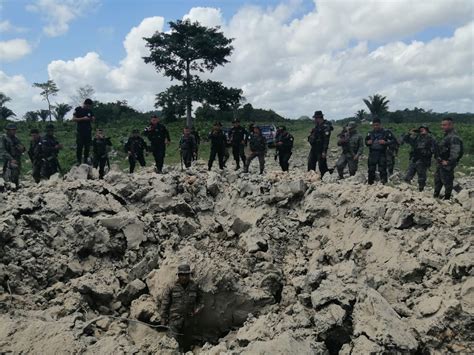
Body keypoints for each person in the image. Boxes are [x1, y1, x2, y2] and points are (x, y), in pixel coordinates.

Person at [160, 264, 203, 352]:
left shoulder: (194, 286)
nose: (184, 277)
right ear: (178, 275)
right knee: (172, 344)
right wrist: (163, 318)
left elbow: (201, 302)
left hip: (189, 321)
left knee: (187, 345)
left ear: (189, 275)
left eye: (186, 275)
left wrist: (196, 311)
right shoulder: (171, 286)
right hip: (174, 320)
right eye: (182, 275)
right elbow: (165, 303)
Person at [434, 117, 463, 199]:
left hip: (447, 164)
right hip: (441, 162)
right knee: (438, 180)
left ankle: (447, 199)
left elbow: (455, 152)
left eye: (444, 125)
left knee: (447, 182)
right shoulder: (447, 136)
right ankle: (436, 197)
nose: (442, 127)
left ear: (450, 125)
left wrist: (448, 162)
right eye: (442, 125)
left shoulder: (454, 137)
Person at [402, 125, 436, 192]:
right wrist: (409, 133)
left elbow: (434, 149)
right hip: (415, 158)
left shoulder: (430, 139)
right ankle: (407, 189)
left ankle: (421, 190)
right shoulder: (416, 138)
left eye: (423, 129)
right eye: (420, 129)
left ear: (426, 130)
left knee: (421, 177)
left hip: (423, 159)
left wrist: (425, 152)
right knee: (408, 176)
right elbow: (406, 140)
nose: (422, 130)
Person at [365, 118, 395, 185]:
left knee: (382, 169)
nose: (376, 126)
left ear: (380, 125)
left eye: (377, 125)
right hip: (372, 153)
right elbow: (366, 141)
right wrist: (368, 142)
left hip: (382, 153)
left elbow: (393, 141)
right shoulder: (370, 133)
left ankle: (384, 184)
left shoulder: (386, 132)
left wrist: (385, 142)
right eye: (374, 125)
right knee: (371, 169)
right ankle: (370, 184)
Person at [307, 110, 333, 176]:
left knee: (322, 165)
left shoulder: (326, 127)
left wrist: (324, 151)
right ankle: (311, 177)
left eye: (315, 118)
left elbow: (326, 140)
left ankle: (325, 177)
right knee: (310, 163)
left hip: (321, 149)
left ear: (319, 118)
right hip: (314, 148)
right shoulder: (317, 126)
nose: (314, 120)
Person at [1, 123, 25, 188]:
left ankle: (15, 185)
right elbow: (3, 150)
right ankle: (8, 186)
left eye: (15, 129)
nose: (14, 131)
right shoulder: (4, 138)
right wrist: (11, 159)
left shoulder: (16, 138)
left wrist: (22, 149)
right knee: (8, 173)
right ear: (8, 130)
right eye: (12, 130)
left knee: (16, 173)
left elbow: (22, 147)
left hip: (17, 158)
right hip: (8, 159)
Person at [72, 98, 95, 165]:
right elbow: (73, 119)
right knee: (79, 146)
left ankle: (85, 160)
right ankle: (78, 161)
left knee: (87, 147)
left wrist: (92, 118)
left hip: (88, 131)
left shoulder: (89, 111)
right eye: (88, 106)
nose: (88, 107)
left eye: (89, 106)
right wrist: (83, 118)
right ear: (85, 104)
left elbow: (93, 118)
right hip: (80, 132)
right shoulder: (78, 109)